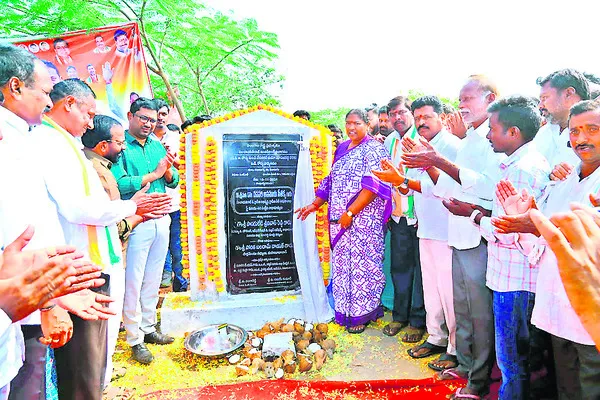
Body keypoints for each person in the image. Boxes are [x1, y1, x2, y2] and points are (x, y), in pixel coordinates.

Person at [33, 79, 163, 399]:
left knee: (94, 361)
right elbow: (79, 208)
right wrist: (133, 206)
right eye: (88, 114)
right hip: (78, 269)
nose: (91, 123)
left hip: (92, 263)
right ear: (69, 105)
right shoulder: (51, 144)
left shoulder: (66, 144)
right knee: (83, 366)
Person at [0, 43, 107, 400]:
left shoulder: (25, 136)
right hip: (22, 302)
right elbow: (19, 228)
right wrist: (49, 301)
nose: (48, 104)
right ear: (15, 87)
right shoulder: (9, 141)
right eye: (45, 93)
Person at [401, 75, 501, 398]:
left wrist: (435, 161)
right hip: (456, 234)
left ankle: (480, 378)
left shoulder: (494, 138)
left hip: (477, 233)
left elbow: (485, 188)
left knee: (480, 313)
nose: (462, 105)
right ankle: (466, 364)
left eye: (468, 99)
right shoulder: (471, 138)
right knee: (463, 308)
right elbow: (447, 185)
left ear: (490, 98)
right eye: (460, 100)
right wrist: (431, 164)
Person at [494, 99, 600, 398]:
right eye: (575, 131)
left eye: (592, 129)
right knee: (564, 387)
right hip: (558, 308)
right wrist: (526, 217)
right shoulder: (564, 182)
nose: (581, 138)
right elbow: (540, 247)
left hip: (592, 313)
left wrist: (537, 224)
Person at [468, 96, 549, 399]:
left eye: (493, 129)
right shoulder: (525, 162)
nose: (488, 135)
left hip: (515, 279)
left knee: (512, 362)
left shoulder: (521, 171)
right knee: (518, 358)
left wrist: (476, 216)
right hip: (515, 276)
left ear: (513, 132)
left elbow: (505, 231)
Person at [374, 96, 461, 371]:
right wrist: (399, 182)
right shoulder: (412, 144)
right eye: (418, 116)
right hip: (424, 225)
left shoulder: (452, 146)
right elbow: (416, 186)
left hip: (449, 230)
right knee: (432, 288)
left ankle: (455, 348)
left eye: (427, 117)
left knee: (449, 293)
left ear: (442, 117)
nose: (421, 122)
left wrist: (406, 177)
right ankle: (436, 337)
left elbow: (444, 187)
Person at [296, 109, 391, 334]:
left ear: (367, 125)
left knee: (363, 267)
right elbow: (331, 180)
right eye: (348, 123)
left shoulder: (375, 149)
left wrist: (351, 213)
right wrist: (314, 205)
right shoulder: (341, 148)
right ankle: (345, 311)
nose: (351, 128)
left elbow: (374, 185)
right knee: (343, 267)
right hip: (340, 220)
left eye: (357, 123)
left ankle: (363, 313)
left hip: (363, 221)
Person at [111, 98, 179, 364]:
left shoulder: (156, 146)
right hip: (136, 220)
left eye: (152, 120)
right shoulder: (120, 146)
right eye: (144, 118)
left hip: (162, 217)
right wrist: (155, 173)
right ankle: (134, 337)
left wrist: (169, 170)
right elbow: (120, 184)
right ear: (131, 116)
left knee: (153, 277)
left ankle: (149, 328)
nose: (149, 124)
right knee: (134, 279)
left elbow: (172, 180)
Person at [381, 96, 426, 343]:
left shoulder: (422, 139)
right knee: (400, 268)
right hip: (397, 216)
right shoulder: (390, 141)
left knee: (420, 271)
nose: (397, 118)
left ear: (411, 113)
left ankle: (418, 321)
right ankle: (400, 316)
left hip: (419, 217)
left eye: (401, 112)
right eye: (392, 114)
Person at [535, 69, 590, 174]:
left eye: (544, 98)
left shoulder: (594, 135)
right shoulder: (543, 132)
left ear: (568, 94)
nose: (540, 106)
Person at [156, 120, 187, 292]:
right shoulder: (146, 142)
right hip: (155, 206)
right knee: (160, 246)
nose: (159, 118)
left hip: (175, 203)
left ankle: (181, 283)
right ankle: (164, 276)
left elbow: (185, 168)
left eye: (163, 115)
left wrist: (171, 162)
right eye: (156, 115)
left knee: (177, 246)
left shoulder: (176, 139)